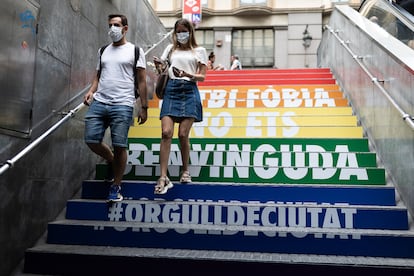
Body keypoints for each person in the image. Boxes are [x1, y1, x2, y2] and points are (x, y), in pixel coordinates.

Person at [83, 14, 148, 202]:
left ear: (125, 28)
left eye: (117, 25)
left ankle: (116, 186)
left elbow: (142, 81)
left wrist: (144, 107)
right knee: (91, 139)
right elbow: (98, 76)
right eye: (110, 24)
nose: (113, 28)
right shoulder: (103, 50)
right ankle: (112, 161)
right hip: (100, 101)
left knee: (120, 145)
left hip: (123, 103)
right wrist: (91, 91)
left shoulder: (135, 50)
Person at [153, 18, 207, 194]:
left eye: (184, 30)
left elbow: (202, 77)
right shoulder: (170, 49)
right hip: (172, 89)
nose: (181, 34)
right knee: (166, 132)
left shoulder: (199, 50)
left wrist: (187, 74)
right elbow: (163, 71)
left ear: (190, 32)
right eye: (178, 31)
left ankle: (185, 170)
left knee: (183, 134)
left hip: (189, 89)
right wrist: (159, 66)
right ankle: (163, 176)